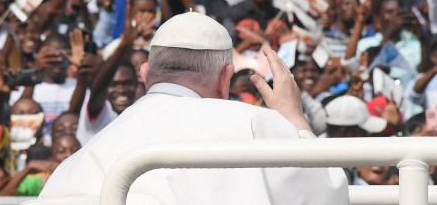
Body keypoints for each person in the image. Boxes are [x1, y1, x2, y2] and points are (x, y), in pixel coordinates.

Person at [39, 12, 349, 204]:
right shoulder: (255, 123)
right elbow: (328, 196)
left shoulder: (95, 144)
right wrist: (294, 119)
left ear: (145, 74)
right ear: (225, 79)